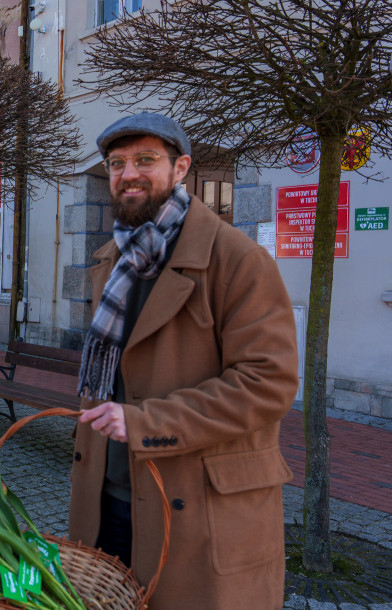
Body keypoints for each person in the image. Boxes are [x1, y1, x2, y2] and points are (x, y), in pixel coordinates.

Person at [69, 113, 299, 610]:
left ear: (181, 169)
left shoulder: (237, 260)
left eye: (146, 160)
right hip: (108, 500)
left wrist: (145, 422)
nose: (128, 173)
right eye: (116, 163)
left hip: (197, 508)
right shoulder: (111, 259)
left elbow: (268, 384)